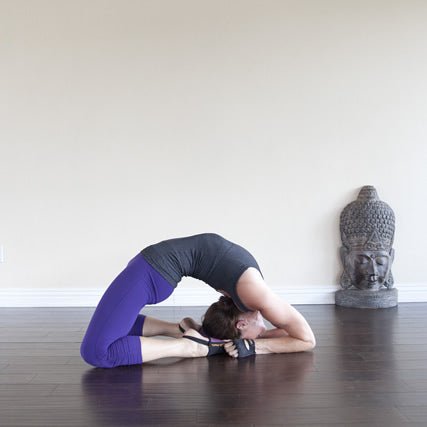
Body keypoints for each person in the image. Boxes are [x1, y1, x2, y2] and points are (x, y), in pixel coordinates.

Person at [80, 233, 315, 368]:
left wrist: (253, 344)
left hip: (151, 268)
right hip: (152, 271)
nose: (265, 330)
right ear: (241, 325)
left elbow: (289, 335)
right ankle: (185, 338)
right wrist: (254, 346)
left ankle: (186, 344)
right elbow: (306, 339)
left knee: (99, 347)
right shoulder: (258, 296)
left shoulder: (250, 301)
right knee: (100, 350)